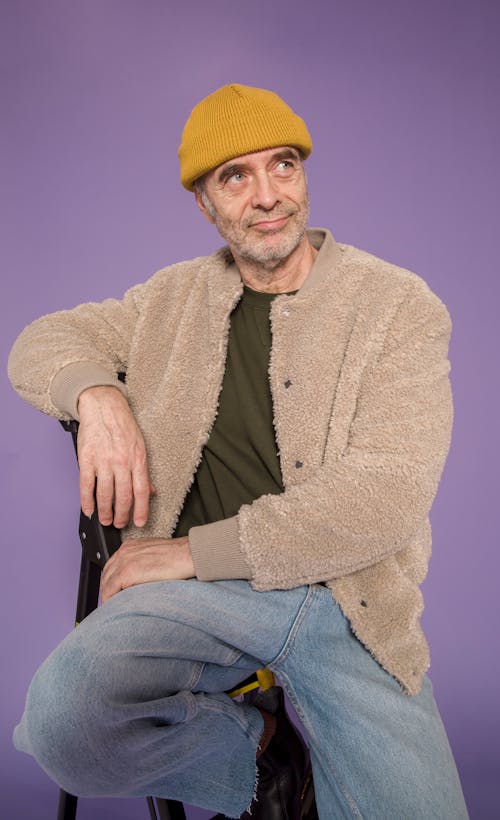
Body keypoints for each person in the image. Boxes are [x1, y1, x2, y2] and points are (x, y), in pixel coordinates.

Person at [8, 84, 469, 819]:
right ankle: (262, 753)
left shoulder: (398, 306)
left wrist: (193, 552)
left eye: (283, 165)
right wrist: (98, 399)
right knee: (64, 722)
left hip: (343, 605)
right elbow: (41, 341)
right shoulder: (170, 299)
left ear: (304, 174)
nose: (267, 196)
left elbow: (387, 493)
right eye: (236, 176)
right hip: (198, 608)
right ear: (204, 204)